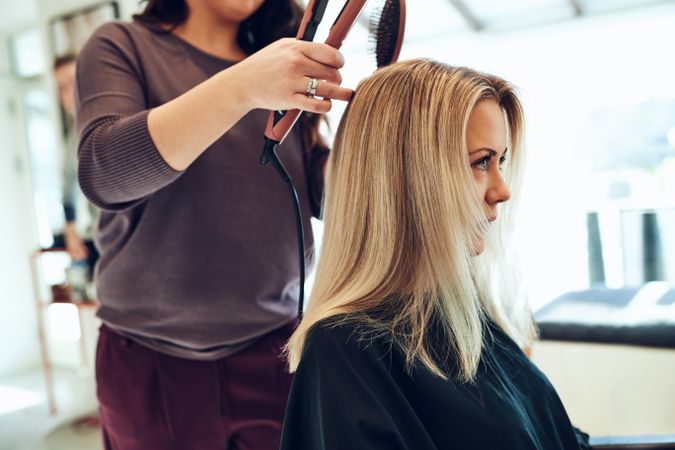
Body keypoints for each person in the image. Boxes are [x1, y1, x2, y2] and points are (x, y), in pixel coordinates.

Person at [74, 0, 352, 448]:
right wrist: (243, 86)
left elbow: (318, 189)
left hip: (277, 350)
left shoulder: (282, 64)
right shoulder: (120, 45)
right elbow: (105, 173)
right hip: (149, 359)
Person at [280, 59, 591, 449]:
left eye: (501, 162)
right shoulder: (347, 351)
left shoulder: (467, 319)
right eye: (481, 162)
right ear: (410, 178)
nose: (502, 190)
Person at [53, 54, 99, 278]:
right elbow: (68, 181)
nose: (66, 93)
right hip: (105, 236)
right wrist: (70, 227)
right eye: (60, 87)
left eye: (71, 82)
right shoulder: (74, 135)